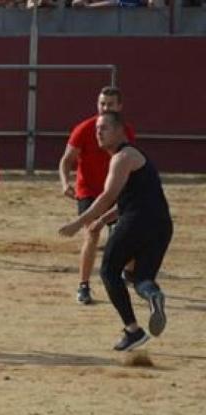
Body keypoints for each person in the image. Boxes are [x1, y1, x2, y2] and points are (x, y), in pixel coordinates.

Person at [58, 111, 171, 352]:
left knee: (109, 271)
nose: (98, 132)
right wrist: (101, 221)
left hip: (137, 222)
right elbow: (129, 201)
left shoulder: (122, 157)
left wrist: (79, 222)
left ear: (120, 130)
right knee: (139, 278)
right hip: (161, 225)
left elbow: (107, 196)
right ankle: (153, 296)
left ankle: (133, 330)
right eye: (97, 128)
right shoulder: (134, 157)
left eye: (105, 128)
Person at [58, 86, 135, 305]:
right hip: (89, 191)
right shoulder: (85, 128)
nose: (105, 108)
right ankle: (84, 286)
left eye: (110, 104)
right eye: (102, 103)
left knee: (125, 234)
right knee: (92, 233)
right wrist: (65, 183)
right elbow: (66, 160)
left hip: (116, 189)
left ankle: (127, 272)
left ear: (119, 106)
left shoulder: (125, 131)